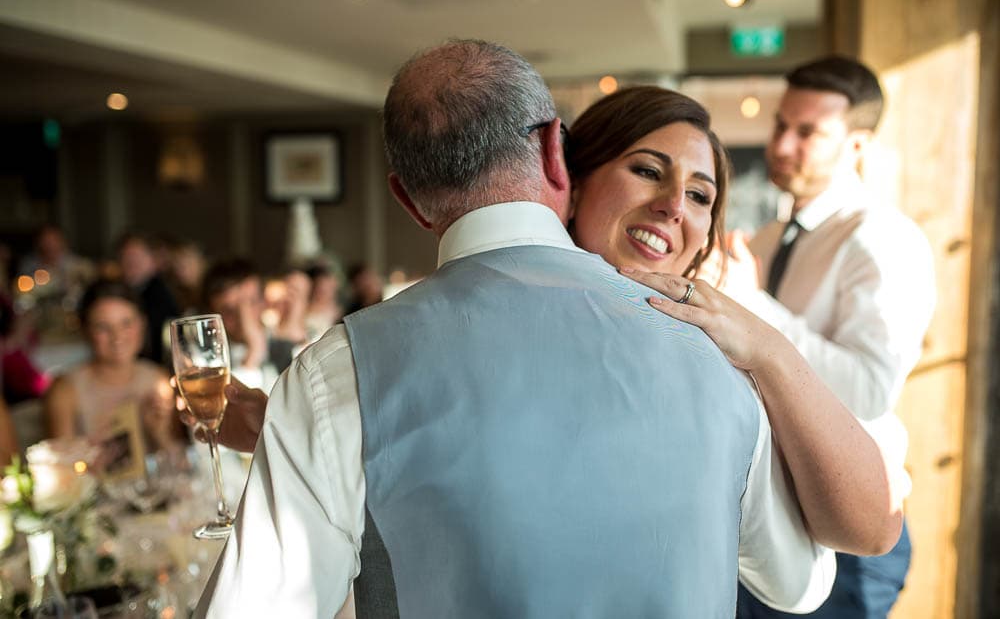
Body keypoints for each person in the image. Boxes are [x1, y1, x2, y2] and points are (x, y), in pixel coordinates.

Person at [196, 41, 897, 618]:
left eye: (700, 195)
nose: (671, 209)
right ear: (563, 168)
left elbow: (856, 539)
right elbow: (801, 582)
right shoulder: (710, 372)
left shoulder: (726, 355)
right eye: (646, 170)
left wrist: (768, 348)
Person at [716, 57, 937, 618]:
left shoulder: (884, 239)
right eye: (781, 125)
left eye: (808, 132)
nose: (783, 144)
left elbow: (868, 390)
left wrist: (750, 306)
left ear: (858, 145)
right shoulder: (765, 240)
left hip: (846, 531)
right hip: (765, 520)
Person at [43, 279, 180, 457]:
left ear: (142, 324)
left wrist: (160, 434)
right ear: (85, 330)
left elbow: (180, 462)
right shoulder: (65, 390)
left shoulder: (159, 381)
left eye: (126, 323)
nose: (117, 336)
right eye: (103, 327)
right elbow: (63, 473)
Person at [201, 258, 297, 393]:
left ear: (264, 302)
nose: (243, 317)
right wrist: (253, 354)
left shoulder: (287, 343)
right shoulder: (206, 362)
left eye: (250, 302)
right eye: (229, 310)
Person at [117, 233, 181, 364]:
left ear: (154, 260)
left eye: (137, 257)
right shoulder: (126, 292)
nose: (131, 262)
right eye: (126, 257)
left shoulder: (161, 294)